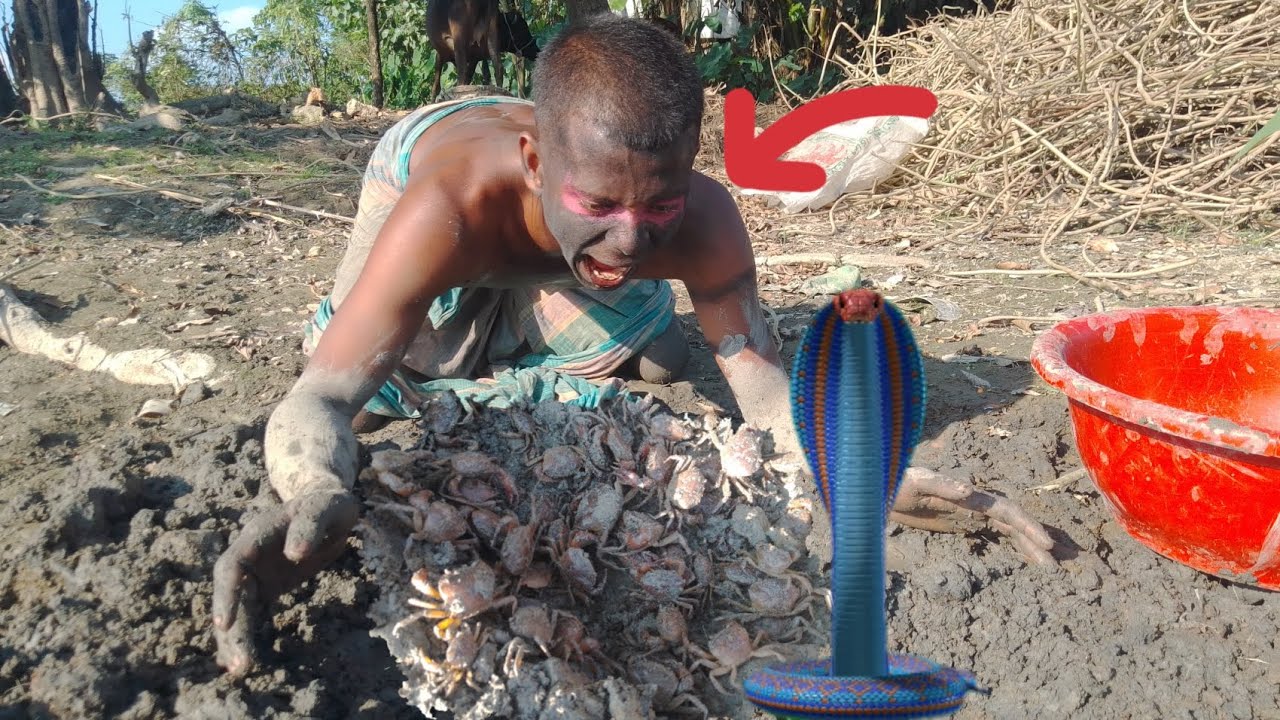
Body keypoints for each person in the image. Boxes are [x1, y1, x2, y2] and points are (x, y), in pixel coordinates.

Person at [211, 13, 1055, 677]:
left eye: (658, 207)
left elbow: (763, 395)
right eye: (603, 206)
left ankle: (521, 318)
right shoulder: (447, 210)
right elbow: (320, 398)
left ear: (689, 167)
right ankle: (484, 323)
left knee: (663, 361)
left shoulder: (702, 217)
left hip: (547, 212)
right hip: (434, 164)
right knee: (387, 389)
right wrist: (312, 483)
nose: (628, 241)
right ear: (537, 162)